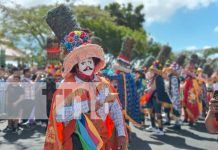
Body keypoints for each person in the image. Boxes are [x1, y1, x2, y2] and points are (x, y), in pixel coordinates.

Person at [44, 5, 127, 150]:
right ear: (76, 65)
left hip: (103, 140)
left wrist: (121, 133)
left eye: (89, 61)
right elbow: (59, 115)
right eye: (83, 62)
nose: (87, 66)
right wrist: (88, 106)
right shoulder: (67, 86)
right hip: (77, 142)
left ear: (95, 63)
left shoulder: (103, 83)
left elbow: (115, 109)